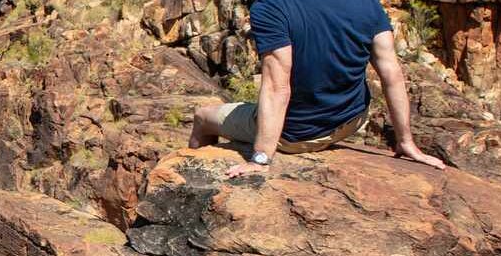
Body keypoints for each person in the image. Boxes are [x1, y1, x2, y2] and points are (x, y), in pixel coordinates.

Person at [189, 0, 447, 176]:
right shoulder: (367, 3)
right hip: (353, 119)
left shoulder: (270, 7)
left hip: (297, 135)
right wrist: (406, 142)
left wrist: (261, 159)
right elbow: (392, 74)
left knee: (203, 116)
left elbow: (277, 88)